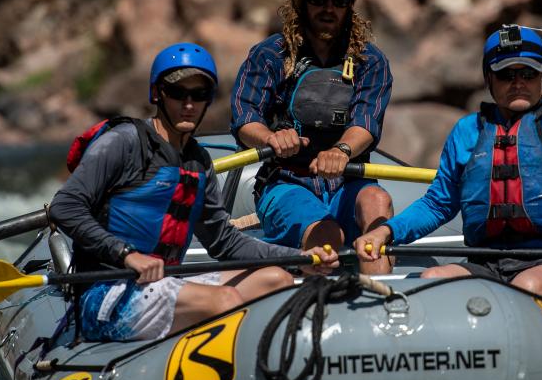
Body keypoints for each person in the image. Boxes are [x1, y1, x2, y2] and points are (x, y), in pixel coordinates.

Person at [354, 25, 542, 310]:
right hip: (486, 262)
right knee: (432, 279)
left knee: (526, 286)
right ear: (489, 80)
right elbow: (439, 204)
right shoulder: (467, 132)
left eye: (528, 74)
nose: (518, 83)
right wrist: (387, 231)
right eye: (506, 75)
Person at [50, 42, 338, 341]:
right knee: (224, 302)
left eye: (198, 95)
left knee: (277, 279)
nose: (188, 103)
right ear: (156, 94)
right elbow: (65, 207)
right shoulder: (124, 141)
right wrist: (127, 255)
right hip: (106, 292)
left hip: (164, 283)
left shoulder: (198, 162)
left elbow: (225, 243)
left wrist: (300, 258)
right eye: (177, 93)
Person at [231, 0, 395, 274]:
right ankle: (317, 286)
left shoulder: (371, 62)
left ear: (350, 5)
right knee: (328, 234)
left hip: (349, 184)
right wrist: (271, 138)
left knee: (377, 200)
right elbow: (243, 117)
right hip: (286, 183)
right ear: (301, 3)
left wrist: (341, 150)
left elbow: (366, 123)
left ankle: (383, 305)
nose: (328, 8)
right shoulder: (268, 56)